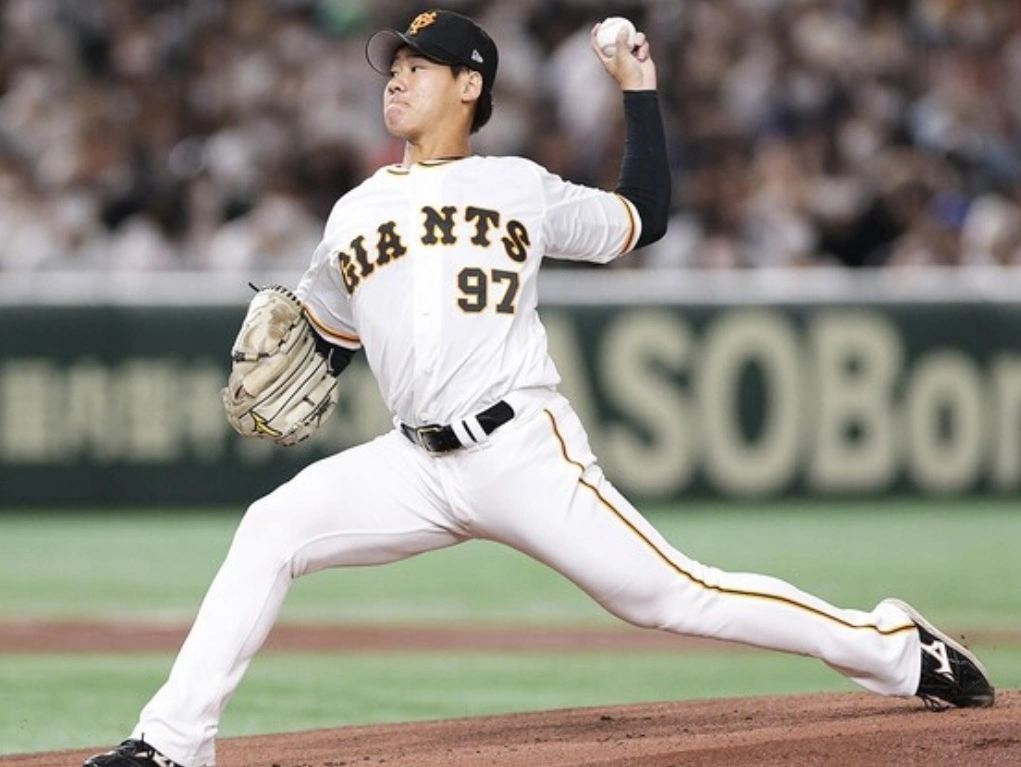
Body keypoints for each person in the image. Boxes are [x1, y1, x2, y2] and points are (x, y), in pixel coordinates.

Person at [83, 9, 994, 767]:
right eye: (392, 67)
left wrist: (638, 87)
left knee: (667, 595)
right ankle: (172, 742)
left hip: (519, 447)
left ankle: (890, 647)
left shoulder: (515, 186)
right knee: (271, 526)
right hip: (411, 462)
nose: (396, 79)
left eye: (418, 67)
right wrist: (305, 353)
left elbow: (643, 217)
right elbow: (328, 334)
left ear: (468, 85)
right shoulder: (353, 211)